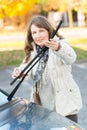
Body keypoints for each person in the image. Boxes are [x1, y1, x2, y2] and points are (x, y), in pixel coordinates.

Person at [12, 15, 82, 123]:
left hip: (65, 104)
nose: (38, 35)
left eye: (41, 31)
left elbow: (71, 58)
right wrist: (20, 72)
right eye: (34, 32)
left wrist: (58, 48)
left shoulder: (60, 44)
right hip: (44, 105)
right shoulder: (33, 51)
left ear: (49, 31)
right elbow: (25, 67)